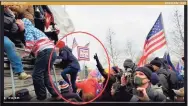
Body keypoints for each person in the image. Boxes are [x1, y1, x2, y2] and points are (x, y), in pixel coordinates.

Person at [17, 18, 61, 101]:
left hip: (45, 51)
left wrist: (24, 54)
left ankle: (41, 96)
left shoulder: (28, 30)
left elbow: (30, 43)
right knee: (46, 75)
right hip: (52, 51)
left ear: (23, 24)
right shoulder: (36, 30)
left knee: (36, 75)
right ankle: (56, 94)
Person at [4, 5, 31, 80]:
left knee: (9, 44)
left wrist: (19, 27)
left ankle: (20, 72)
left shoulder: (9, 14)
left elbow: (13, 30)